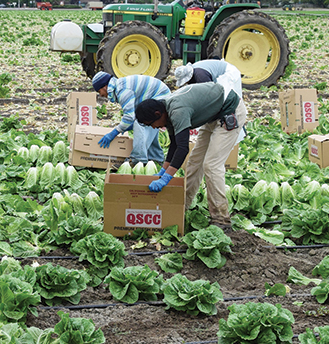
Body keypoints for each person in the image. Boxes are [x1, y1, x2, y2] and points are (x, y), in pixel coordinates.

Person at [135, 82, 247, 228]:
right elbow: (174, 145)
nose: (154, 127)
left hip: (230, 110)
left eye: (152, 124)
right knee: (194, 162)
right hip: (213, 115)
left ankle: (221, 218)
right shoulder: (165, 112)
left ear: (157, 114)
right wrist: (163, 171)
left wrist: (166, 179)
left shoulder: (177, 111)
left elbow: (182, 148)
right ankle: (183, 206)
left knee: (211, 165)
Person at [91, 72, 170, 165]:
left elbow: (129, 117)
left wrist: (115, 132)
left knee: (142, 122)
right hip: (155, 97)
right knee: (149, 128)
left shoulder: (123, 90)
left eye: (99, 91)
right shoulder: (120, 86)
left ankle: (137, 160)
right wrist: (126, 125)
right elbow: (132, 113)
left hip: (160, 99)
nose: (100, 95)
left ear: (104, 86)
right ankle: (156, 159)